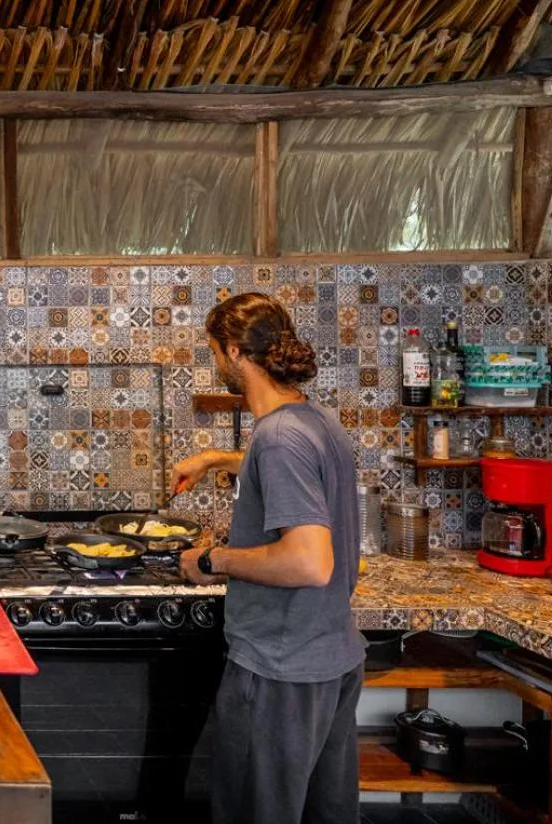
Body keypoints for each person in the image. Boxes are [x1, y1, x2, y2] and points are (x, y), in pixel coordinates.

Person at [174, 293, 363, 824]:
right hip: (328, 660)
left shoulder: (278, 438)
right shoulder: (315, 422)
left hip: (280, 670)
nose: (216, 363)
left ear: (234, 352)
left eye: (215, 351)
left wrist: (215, 561)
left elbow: (308, 563)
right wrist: (217, 458)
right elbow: (285, 461)